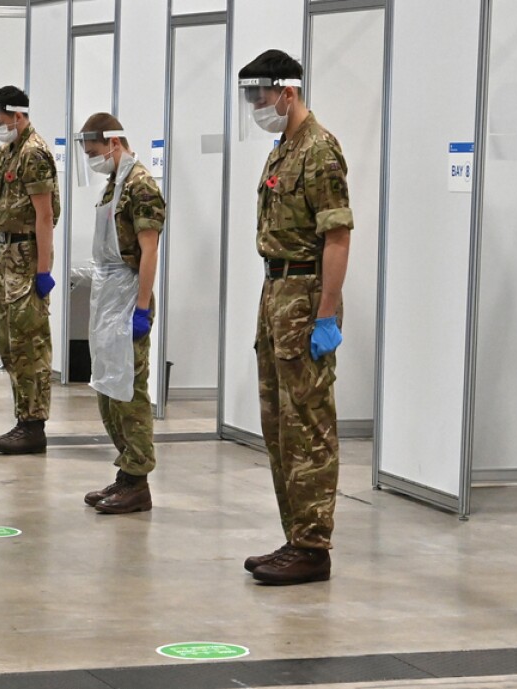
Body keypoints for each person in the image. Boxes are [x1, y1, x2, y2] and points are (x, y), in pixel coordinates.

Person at [237, 50, 351, 586]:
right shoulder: (283, 148)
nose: (257, 105)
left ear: (288, 91)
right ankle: (294, 537)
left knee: (308, 424)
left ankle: (312, 545)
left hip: (305, 295)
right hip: (276, 293)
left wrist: (326, 314)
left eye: (262, 95)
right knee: (278, 424)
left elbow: (337, 236)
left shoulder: (320, 150)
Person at [74, 114, 164, 514]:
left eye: (95, 152)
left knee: (129, 393)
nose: (94, 159)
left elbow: (149, 252)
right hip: (110, 297)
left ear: (113, 141)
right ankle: (126, 473)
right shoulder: (116, 183)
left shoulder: (141, 185)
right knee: (109, 389)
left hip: (129, 297)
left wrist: (141, 308)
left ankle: (138, 480)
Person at [0, 85, 60, 454]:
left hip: (27, 254)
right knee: (10, 345)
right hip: (6, 254)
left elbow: (44, 216)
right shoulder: (7, 151)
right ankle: (22, 418)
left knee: (30, 343)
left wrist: (43, 270)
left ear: (17, 114)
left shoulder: (34, 153)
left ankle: (33, 424)